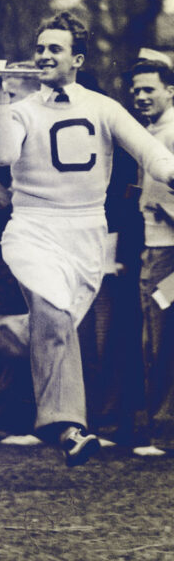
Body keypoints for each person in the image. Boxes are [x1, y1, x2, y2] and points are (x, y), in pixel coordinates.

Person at [0, 12, 174, 466]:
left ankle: (7, 335)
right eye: (40, 47)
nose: (44, 55)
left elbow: (151, 154)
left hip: (85, 236)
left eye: (55, 49)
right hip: (32, 229)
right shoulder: (22, 108)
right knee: (53, 313)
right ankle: (68, 428)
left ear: (77, 59)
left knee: (51, 327)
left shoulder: (102, 106)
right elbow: (2, 153)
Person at [128, 59, 174, 456]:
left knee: (162, 338)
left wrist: (167, 214)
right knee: (156, 337)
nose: (141, 97)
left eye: (150, 90)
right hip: (153, 249)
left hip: (168, 254)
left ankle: (162, 431)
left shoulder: (172, 132)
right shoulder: (151, 131)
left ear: (170, 91)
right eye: (137, 90)